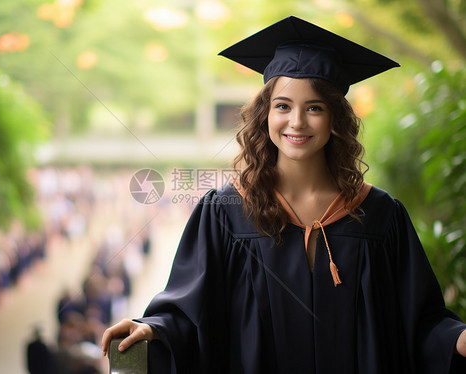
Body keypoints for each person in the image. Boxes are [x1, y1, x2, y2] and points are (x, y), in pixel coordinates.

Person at [101, 16, 466, 373]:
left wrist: (456, 338)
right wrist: (154, 328)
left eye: (315, 108)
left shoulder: (379, 214)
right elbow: (189, 308)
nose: (297, 122)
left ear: (335, 118)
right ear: (265, 115)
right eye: (283, 106)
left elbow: (420, 318)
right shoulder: (226, 213)